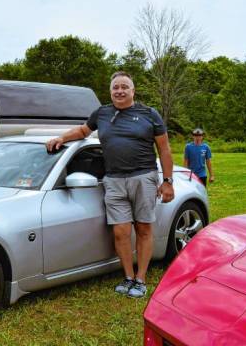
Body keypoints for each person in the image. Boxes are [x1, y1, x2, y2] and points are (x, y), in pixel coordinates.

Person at [46, 71, 174, 299]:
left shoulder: (149, 114)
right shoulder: (102, 113)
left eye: (125, 86)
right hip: (113, 180)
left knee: (143, 229)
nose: (120, 91)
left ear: (133, 91)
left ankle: (141, 279)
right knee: (120, 232)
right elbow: (83, 131)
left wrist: (167, 181)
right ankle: (127, 277)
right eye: (116, 87)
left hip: (143, 177)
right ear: (110, 91)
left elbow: (164, 149)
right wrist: (61, 138)